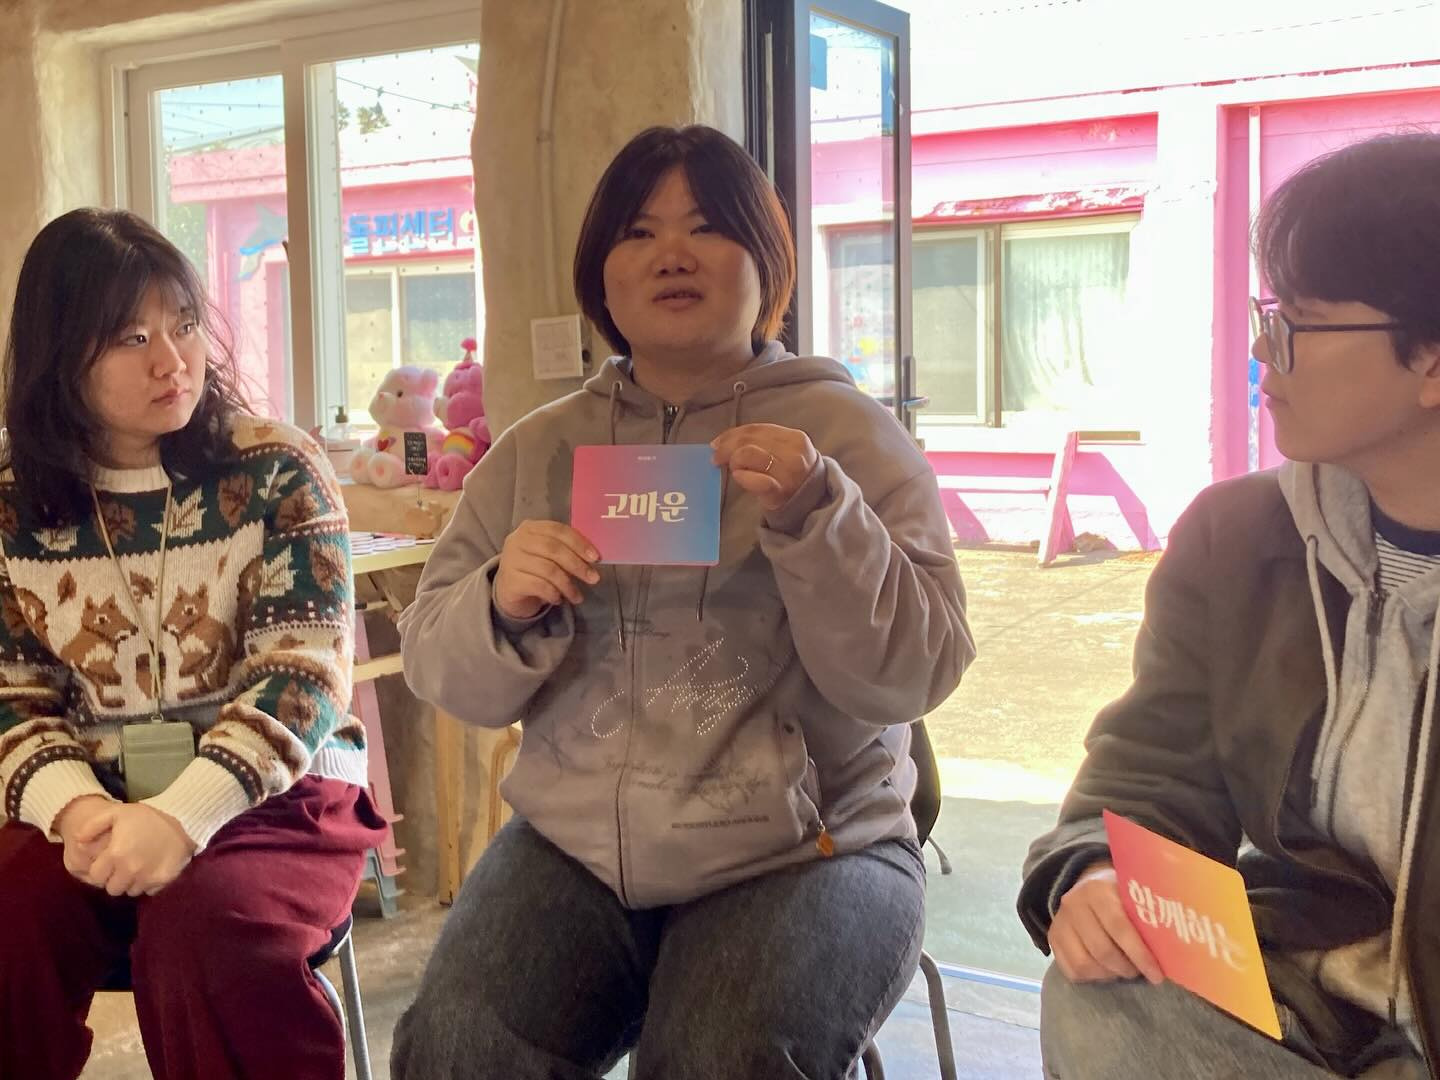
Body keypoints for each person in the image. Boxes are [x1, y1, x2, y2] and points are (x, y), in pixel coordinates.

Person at [392, 124, 975, 1079]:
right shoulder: (539, 451)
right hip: (576, 847)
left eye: (706, 226)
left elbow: (918, 671)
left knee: (718, 1059)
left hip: (811, 851)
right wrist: (498, 603)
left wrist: (819, 516)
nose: (671, 253)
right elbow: (435, 662)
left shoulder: (846, 436)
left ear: (766, 259)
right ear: (601, 275)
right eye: (638, 231)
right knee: (457, 1045)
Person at [1019, 132, 1440, 1079]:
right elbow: (1152, 767)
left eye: (1299, 324)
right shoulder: (1239, 537)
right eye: (1268, 313)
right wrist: (1096, 868)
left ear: (1432, 363)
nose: (1261, 349)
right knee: (1101, 994)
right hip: (1293, 990)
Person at [0, 208, 386, 1080]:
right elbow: (10, 696)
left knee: (211, 933)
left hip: (277, 795)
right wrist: (78, 811)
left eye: (183, 324)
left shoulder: (277, 469)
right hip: (90, 795)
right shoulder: (12, 499)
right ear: (59, 356)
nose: (172, 360)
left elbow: (301, 678)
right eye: (131, 337)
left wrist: (182, 816)